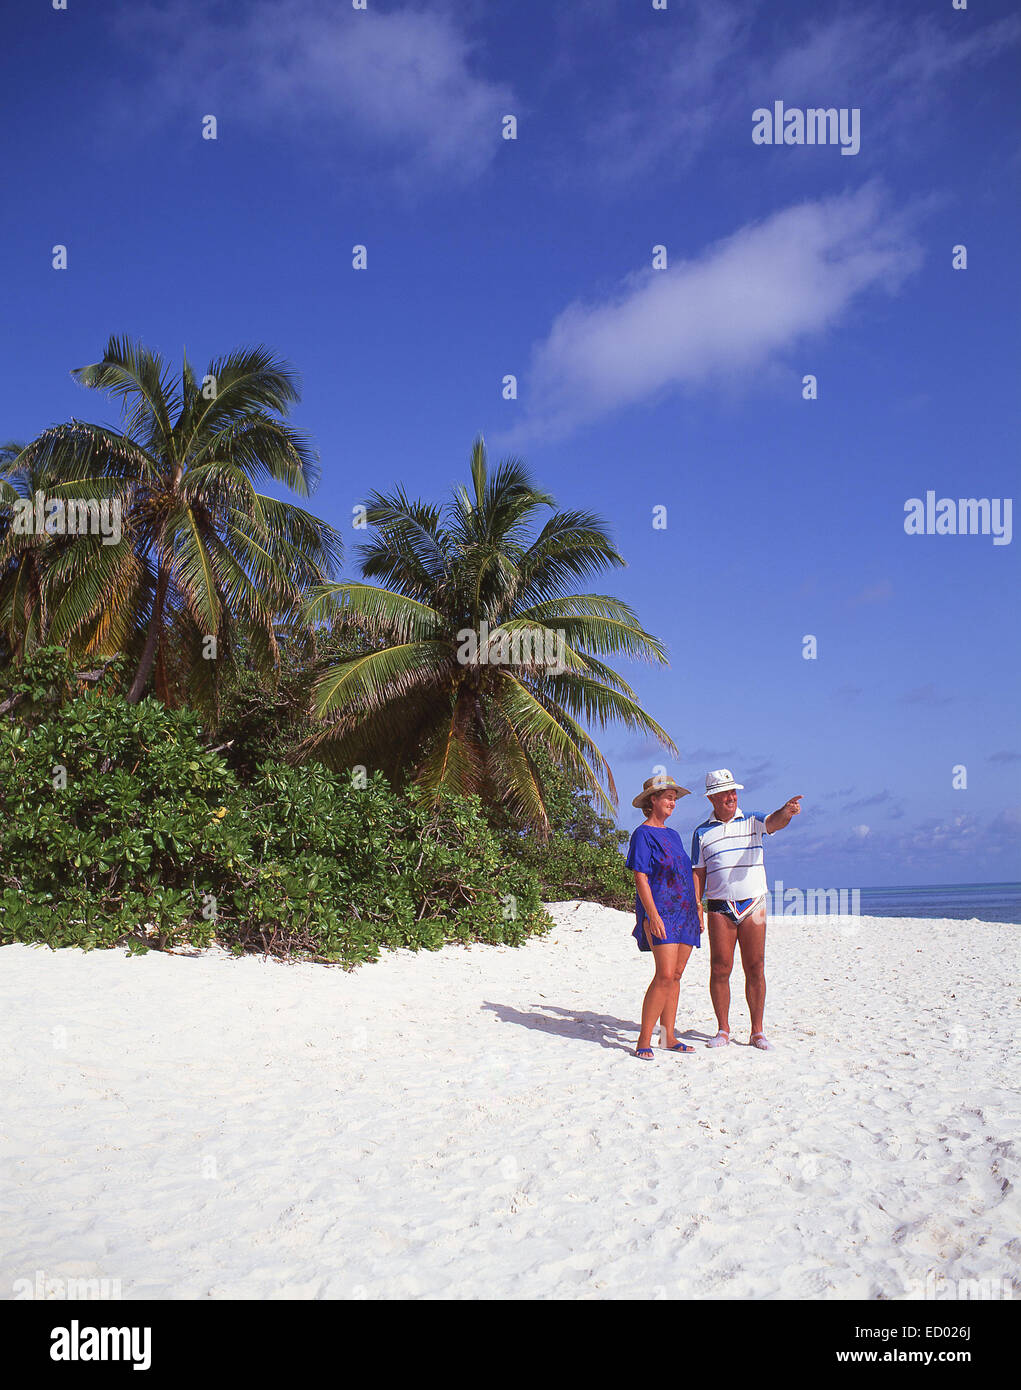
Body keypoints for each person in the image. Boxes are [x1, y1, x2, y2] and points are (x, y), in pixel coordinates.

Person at [690, 769, 801, 1051]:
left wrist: (786, 811)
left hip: (754, 904)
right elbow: (698, 873)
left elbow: (775, 822)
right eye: (725, 792)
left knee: (755, 967)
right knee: (720, 968)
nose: (731, 796)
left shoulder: (753, 820)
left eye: (733, 791)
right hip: (718, 905)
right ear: (712, 797)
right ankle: (723, 1030)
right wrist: (696, 906)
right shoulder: (701, 832)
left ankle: (757, 1031)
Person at [625, 775, 704, 1060]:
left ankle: (668, 1036)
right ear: (652, 801)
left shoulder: (672, 834)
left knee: (677, 975)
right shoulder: (642, 834)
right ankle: (643, 1040)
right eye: (667, 797)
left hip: (685, 912)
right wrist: (651, 915)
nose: (672, 802)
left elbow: (684, 873)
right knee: (664, 975)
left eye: (674, 797)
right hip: (663, 913)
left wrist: (697, 906)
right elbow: (641, 877)